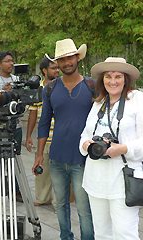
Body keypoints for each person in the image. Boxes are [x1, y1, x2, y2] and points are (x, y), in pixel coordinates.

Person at [32, 38, 94, 240]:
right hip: (57, 157)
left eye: (70, 58)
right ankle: (65, 237)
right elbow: (44, 122)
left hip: (83, 159)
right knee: (60, 205)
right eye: (62, 60)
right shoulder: (49, 88)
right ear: (57, 63)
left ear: (77, 58)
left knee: (84, 208)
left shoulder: (92, 86)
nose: (67, 63)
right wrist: (39, 155)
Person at [79, 57, 142, 240]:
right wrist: (86, 145)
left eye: (118, 76)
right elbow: (84, 135)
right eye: (108, 76)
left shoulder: (137, 100)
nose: (112, 81)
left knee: (124, 233)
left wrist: (122, 148)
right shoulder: (99, 103)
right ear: (102, 79)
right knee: (102, 234)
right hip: (96, 180)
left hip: (124, 180)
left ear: (126, 79)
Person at [0, 51, 23, 209]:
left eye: (12, 61)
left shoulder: (18, 80)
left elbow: (24, 101)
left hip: (15, 125)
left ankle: (16, 191)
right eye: (7, 61)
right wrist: (1, 94)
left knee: (14, 159)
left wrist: (14, 94)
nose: (11, 63)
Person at [25, 55, 59, 209]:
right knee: (42, 170)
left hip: (60, 137)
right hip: (44, 138)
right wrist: (28, 137)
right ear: (44, 71)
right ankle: (42, 197)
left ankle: (61, 199)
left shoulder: (62, 86)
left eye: (57, 67)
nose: (57, 70)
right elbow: (32, 114)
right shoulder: (37, 90)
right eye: (53, 68)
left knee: (61, 172)